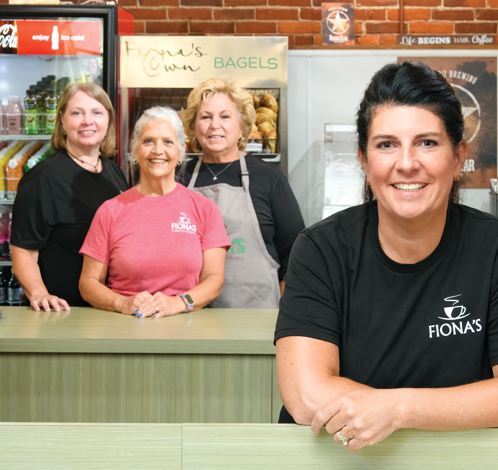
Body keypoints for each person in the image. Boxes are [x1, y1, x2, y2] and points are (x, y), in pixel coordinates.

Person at [275, 62, 498, 451]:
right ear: (363, 158)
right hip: (339, 466)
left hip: (454, 467)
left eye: (426, 142)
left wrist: (400, 408)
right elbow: (307, 396)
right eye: (386, 144)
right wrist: (430, 409)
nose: (406, 163)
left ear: (458, 157)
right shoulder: (321, 249)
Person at [79, 107, 230, 318]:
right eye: (148, 141)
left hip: (186, 329)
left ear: (181, 150)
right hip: (122, 327)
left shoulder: (205, 209)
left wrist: (178, 303)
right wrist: (121, 302)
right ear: (135, 149)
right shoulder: (110, 211)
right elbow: (88, 283)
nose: (158, 150)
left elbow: (214, 280)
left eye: (168, 142)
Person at [181, 77, 304, 308]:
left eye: (225, 116)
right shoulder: (179, 178)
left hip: (257, 317)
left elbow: (295, 254)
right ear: (193, 127)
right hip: (190, 315)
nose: (214, 125)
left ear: (242, 127)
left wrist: (287, 312)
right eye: (205, 117)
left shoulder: (269, 179)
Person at [11, 83, 128, 311]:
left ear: (108, 121)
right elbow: (23, 250)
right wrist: (39, 294)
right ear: (62, 121)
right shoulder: (42, 179)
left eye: (97, 112)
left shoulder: (113, 171)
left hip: (110, 305)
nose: (87, 121)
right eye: (77, 113)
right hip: (66, 310)